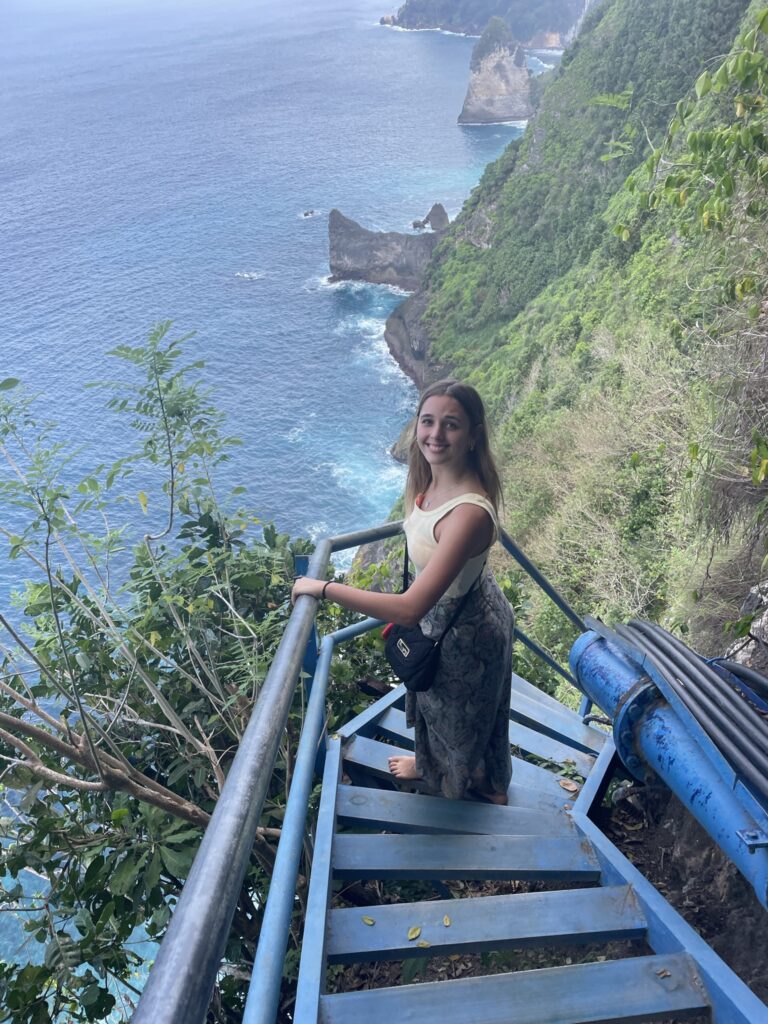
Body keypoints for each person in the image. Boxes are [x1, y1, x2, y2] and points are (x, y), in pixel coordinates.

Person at [291, 379, 514, 804]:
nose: (435, 435)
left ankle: (483, 788)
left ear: (473, 435)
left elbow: (411, 608)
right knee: (437, 706)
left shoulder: (468, 512)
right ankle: (434, 766)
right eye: (427, 422)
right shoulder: (428, 482)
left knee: (461, 718)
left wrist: (324, 588)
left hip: (464, 631)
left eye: (451, 425)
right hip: (449, 614)